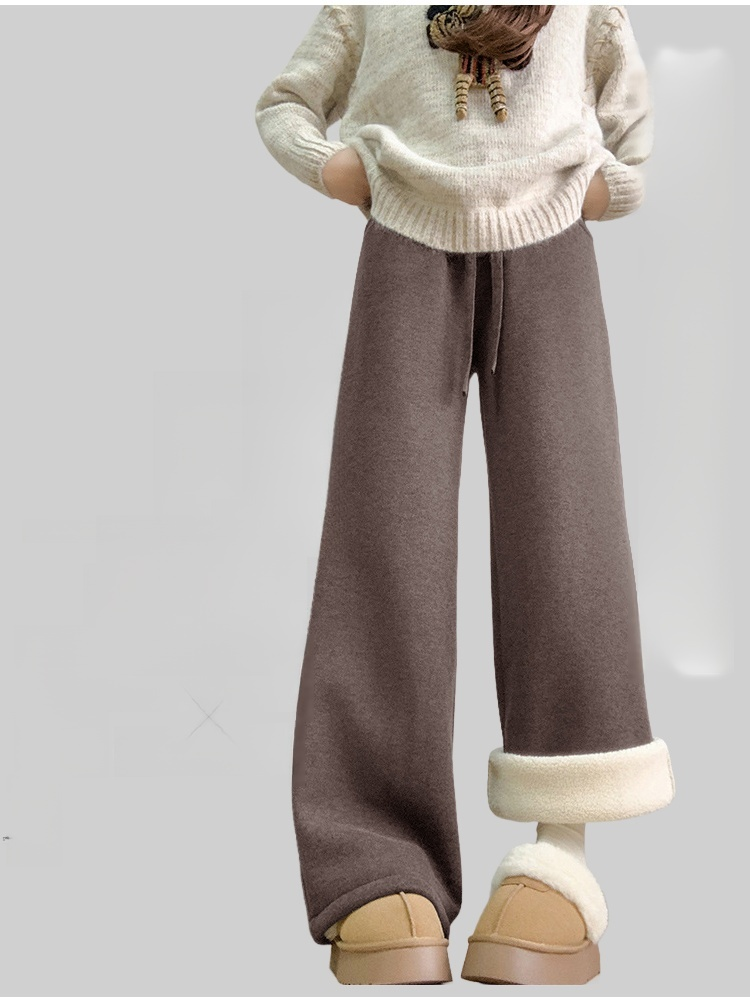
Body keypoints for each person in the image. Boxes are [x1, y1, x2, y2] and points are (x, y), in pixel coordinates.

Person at [255, 4, 675, 987]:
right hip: (405, 243)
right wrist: (332, 166)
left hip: (551, 245)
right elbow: (283, 101)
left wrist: (614, 182)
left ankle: (562, 850)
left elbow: (628, 101)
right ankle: (374, 857)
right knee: (383, 532)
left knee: (569, 525)